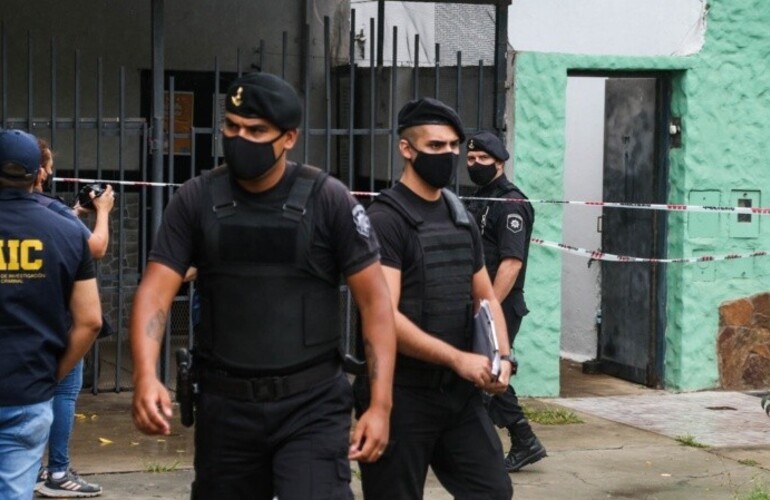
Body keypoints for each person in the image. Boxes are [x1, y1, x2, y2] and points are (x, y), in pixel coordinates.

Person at [130, 72, 395, 499]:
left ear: (289, 138)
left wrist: (379, 406)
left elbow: (376, 304)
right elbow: (155, 291)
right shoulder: (196, 198)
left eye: (256, 131)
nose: (240, 139)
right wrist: (145, 375)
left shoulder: (328, 199)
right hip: (226, 407)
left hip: (311, 405)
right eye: (232, 127)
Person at [354, 97, 513, 499]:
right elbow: (384, 317)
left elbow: (486, 298)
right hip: (402, 393)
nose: (449, 155)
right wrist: (458, 358)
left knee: (493, 492)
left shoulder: (459, 215)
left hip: (457, 399)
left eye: (453, 147)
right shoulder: (385, 220)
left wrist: (501, 357)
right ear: (407, 149)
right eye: (436, 146)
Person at [0, 129, 102, 499]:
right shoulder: (65, 230)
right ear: (38, 174)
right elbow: (90, 319)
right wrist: (53, 375)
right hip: (28, 389)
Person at [32, 139, 114, 497]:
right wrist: (104, 211)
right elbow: (95, 248)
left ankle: (31, 468)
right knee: (63, 390)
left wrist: (74, 213)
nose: (50, 173)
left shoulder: (38, 210)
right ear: (39, 172)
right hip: (59, 317)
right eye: (48, 167)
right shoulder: (50, 208)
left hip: (24, 317)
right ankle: (58, 471)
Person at [465, 130, 547, 472]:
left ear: (499, 162)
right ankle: (522, 439)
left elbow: (512, 263)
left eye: (482, 159)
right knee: (486, 374)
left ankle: (519, 440)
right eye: (470, 159)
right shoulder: (481, 197)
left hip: (501, 304)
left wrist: (489, 308)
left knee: (489, 375)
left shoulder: (511, 203)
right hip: (480, 303)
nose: (475, 164)